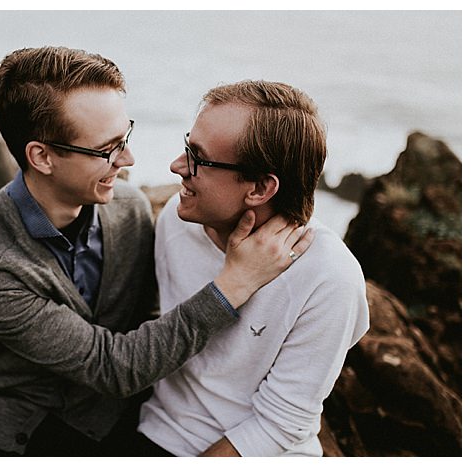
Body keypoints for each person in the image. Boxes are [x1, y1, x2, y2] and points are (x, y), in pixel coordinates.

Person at [0, 47, 312, 456]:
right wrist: (235, 283)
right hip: (19, 428)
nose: (129, 159)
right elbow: (112, 367)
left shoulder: (129, 208)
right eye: (109, 148)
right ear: (42, 156)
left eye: (126, 137)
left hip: (116, 415)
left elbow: (149, 317)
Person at [134, 80, 370, 457]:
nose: (178, 167)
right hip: (158, 432)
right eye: (185, 147)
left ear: (260, 188)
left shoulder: (329, 277)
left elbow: (278, 427)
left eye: (198, 158)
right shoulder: (178, 223)